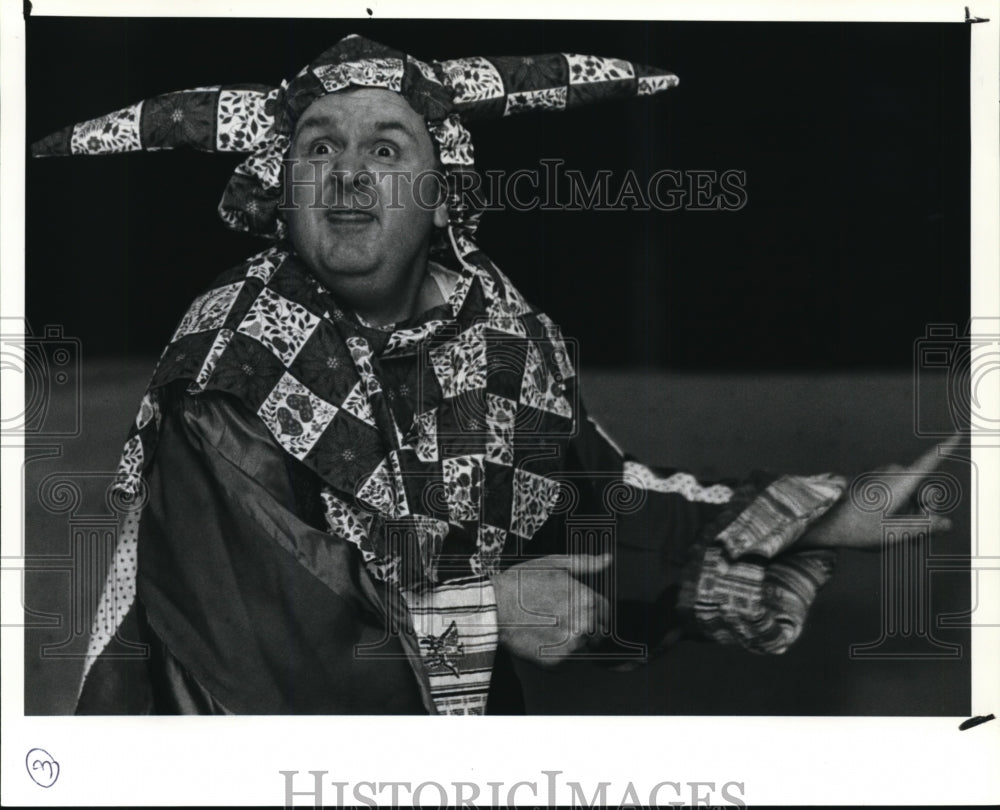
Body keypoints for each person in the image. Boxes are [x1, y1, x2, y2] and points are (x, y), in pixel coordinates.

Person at [32, 34, 954, 715]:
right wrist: (486, 616)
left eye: (386, 149)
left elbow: (603, 505)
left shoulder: (496, 334)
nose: (350, 176)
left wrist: (815, 516)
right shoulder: (232, 360)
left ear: (444, 189)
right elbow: (270, 640)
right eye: (320, 148)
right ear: (282, 185)